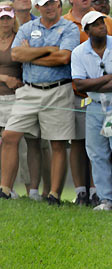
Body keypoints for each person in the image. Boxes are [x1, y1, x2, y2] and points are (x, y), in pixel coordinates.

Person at [0, 0, 79, 203]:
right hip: (29, 91)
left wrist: (31, 55)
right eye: (45, 4)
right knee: (10, 135)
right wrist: (49, 49)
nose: (49, 7)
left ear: (60, 6)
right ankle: (5, 189)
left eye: (53, 3)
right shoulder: (27, 28)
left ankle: (53, 194)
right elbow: (16, 54)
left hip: (59, 89)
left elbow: (63, 58)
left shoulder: (69, 27)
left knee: (58, 143)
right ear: (38, 8)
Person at [71, 11, 112, 214]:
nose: (101, 26)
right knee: (97, 154)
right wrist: (107, 78)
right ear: (86, 30)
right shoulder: (79, 52)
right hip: (94, 105)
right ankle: (106, 199)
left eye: (102, 22)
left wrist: (93, 83)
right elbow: (78, 83)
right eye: (95, 24)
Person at [64, 0, 112, 205]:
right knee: (79, 142)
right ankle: (81, 192)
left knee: (104, 147)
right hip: (74, 93)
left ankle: (99, 193)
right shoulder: (65, 22)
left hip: (105, 97)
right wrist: (105, 80)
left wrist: (100, 82)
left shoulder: (109, 22)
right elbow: (74, 73)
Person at [0, 1, 24, 199]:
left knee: (10, 141)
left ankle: (7, 187)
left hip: (14, 99)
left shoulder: (19, 38)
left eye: (8, 17)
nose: (4, 21)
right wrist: (4, 78)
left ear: (13, 18)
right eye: (1, 18)